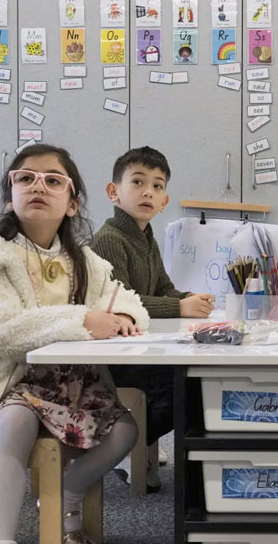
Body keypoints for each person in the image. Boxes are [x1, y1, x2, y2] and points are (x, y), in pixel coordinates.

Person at [0, 144, 149, 544]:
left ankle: (69, 493)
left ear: (72, 204)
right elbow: (2, 330)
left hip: (73, 383)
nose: (38, 186)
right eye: (25, 178)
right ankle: (0, 538)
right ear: (8, 197)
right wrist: (83, 319)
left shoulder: (82, 259)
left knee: (124, 431)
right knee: (16, 422)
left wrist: (124, 318)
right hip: (10, 378)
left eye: (53, 180)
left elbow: (126, 299)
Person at [89, 146, 215, 491]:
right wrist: (179, 308)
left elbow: (163, 288)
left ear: (164, 200)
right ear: (114, 191)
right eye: (138, 182)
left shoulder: (146, 237)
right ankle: (126, 447)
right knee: (187, 384)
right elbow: (124, 302)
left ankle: (138, 443)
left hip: (138, 347)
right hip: (113, 357)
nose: (149, 192)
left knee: (195, 378)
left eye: (158, 186)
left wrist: (188, 298)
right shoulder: (110, 239)